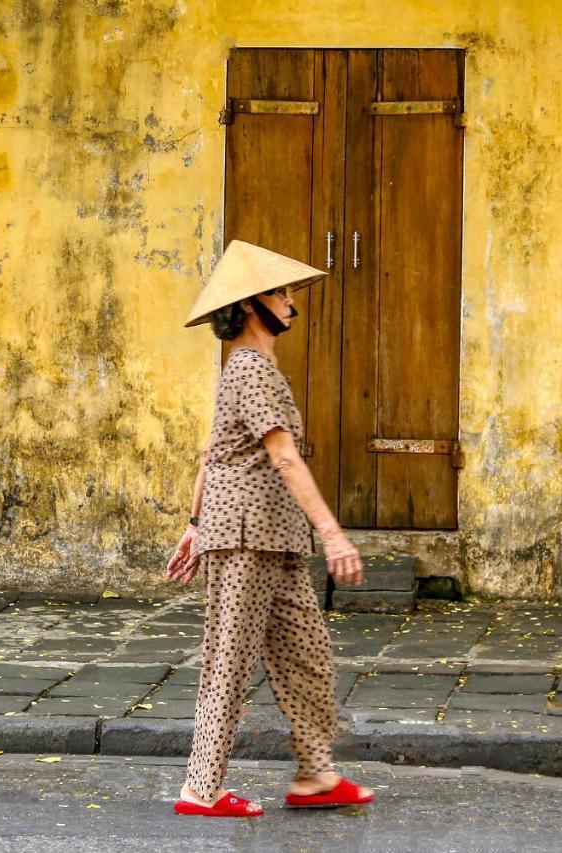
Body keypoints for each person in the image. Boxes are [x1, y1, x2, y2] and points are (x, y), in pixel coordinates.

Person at [165, 240, 374, 817]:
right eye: (279, 292)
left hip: (271, 538)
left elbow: (212, 453)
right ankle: (199, 790)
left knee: (308, 654)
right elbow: (282, 456)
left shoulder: (250, 369)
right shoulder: (251, 369)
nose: (289, 302)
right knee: (228, 663)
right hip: (246, 536)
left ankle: (315, 774)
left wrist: (192, 523)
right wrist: (333, 534)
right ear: (251, 304)